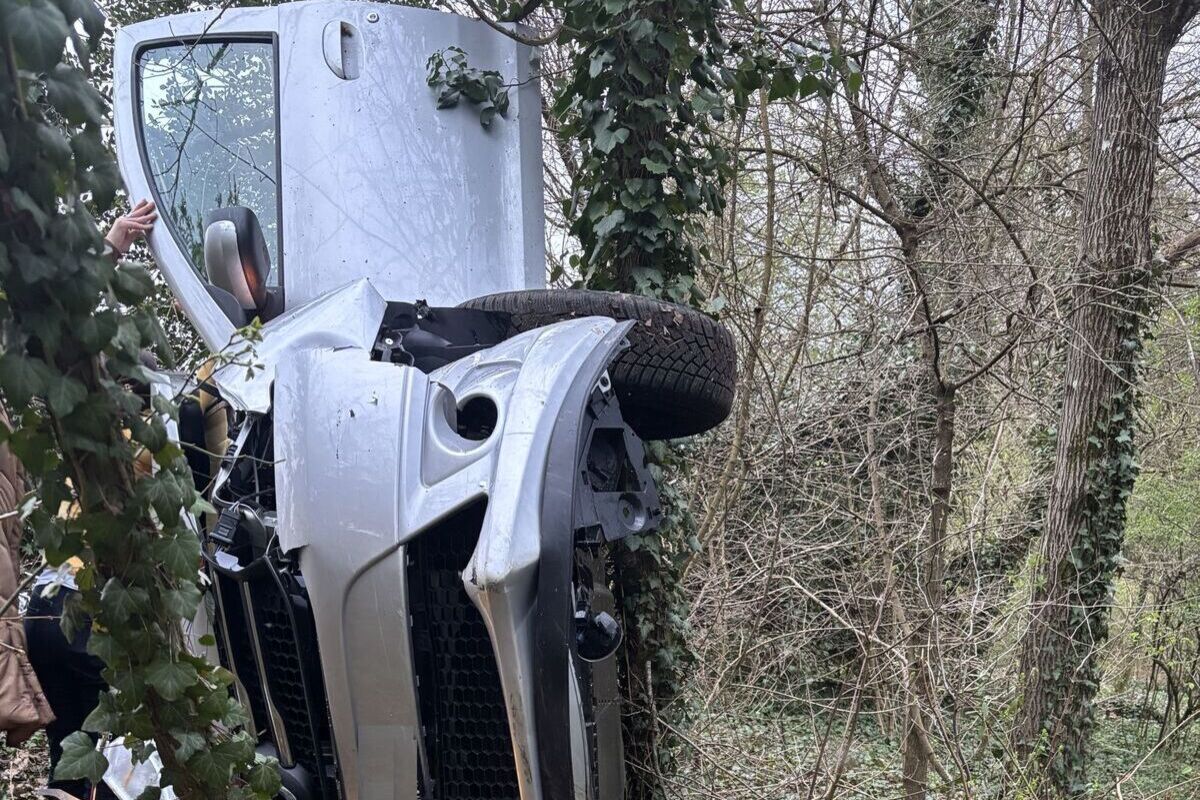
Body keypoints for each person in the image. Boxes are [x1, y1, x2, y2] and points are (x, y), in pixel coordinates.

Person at [21, 200, 156, 800]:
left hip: (41, 608)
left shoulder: (78, 436)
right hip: (87, 615)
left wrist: (112, 243)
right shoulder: (145, 447)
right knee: (122, 753)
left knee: (70, 764)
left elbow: (63, 339)